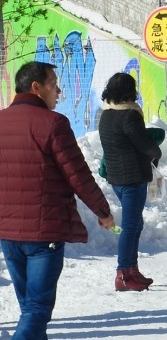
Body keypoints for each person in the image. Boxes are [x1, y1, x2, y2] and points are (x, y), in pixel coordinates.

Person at [0, 61, 117, 337]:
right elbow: (77, 175)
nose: (59, 91)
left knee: (30, 307)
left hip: (8, 234)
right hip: (43, 234)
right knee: (37, 309)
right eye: (54, 84)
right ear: (36, 87)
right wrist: (103, 211)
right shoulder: (53, 124)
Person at [98, 72, 163, 291]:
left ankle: (132, 270)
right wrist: (155, 150)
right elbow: (143, 143)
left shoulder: (106, 114)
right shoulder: (129, 115)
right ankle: (124, 273)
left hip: (116, 178)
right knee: (130, 226)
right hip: (133, 178)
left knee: (134, 225)